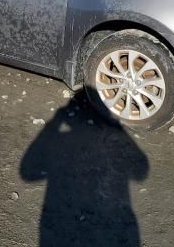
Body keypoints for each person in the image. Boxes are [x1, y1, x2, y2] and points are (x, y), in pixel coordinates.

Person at [20, 96, 149, 247]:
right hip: (111, 219)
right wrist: (118, 128)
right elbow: (141, 171)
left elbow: (27, 172)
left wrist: (53, 124)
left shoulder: (62, 141)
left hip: (64, 220)